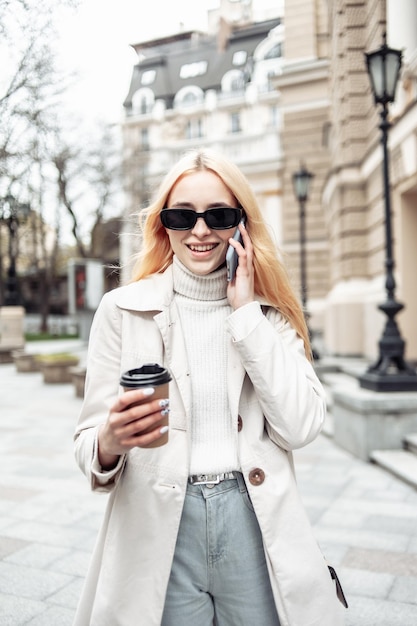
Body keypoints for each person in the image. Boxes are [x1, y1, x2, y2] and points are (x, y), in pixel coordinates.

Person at [73, 149, 346, 626]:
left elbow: (302, 426)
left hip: (253, 519)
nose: (200, 232)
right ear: (163, 226)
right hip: (157, 526)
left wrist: (244, 315)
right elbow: (86, 443)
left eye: (218, 216)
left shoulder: (269, 316)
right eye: (182, 216)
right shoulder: (121, 311)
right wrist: (109, 442)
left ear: (242, 224)